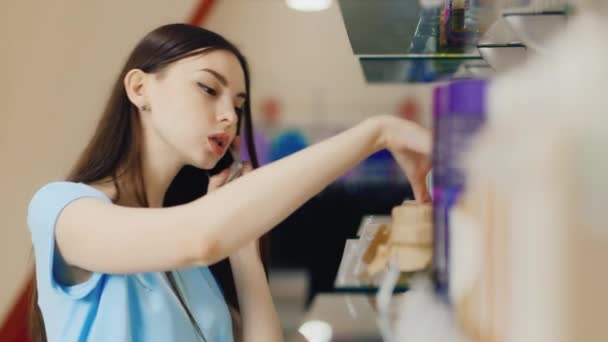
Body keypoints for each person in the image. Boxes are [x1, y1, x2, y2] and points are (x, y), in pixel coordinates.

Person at [26, 23, 431, 342]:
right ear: (139, 88)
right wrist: (375, 133)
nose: (229, 117)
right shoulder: (62, 210)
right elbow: (199, 238)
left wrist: (243, 251)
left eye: (238, 105)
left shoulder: (198, 270)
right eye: (208, 89)